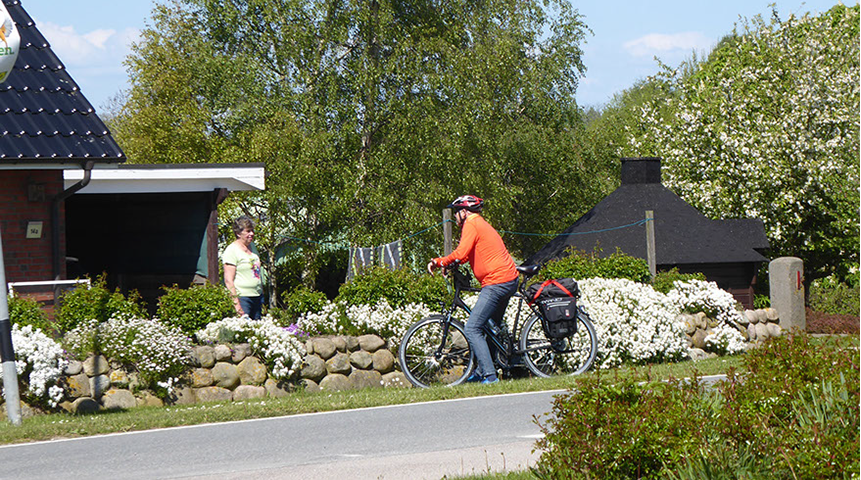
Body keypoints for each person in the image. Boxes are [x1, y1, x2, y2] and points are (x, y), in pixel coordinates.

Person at [427, 195, 518, 384]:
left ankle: (490, 377)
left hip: (497, 282)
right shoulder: (479, 223)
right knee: (489, 328)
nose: (455, 216)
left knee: (472, 328)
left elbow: (460, 253)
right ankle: (481, 370)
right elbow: (468, 254)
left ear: (464, 212)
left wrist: (439, 262)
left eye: (456, 212)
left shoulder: (471, 223)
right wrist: (451, 264)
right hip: (506, 280)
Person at [223, 216, 263, 319]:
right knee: (245, 327)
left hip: (257, 296)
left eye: (252, 231)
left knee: (258, 327)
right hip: (243, 298)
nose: (252, 234)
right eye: (248, 231)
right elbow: (228, 281)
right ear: (238, 233)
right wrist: (237, 305)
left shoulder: (253, 247)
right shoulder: (232, 251)